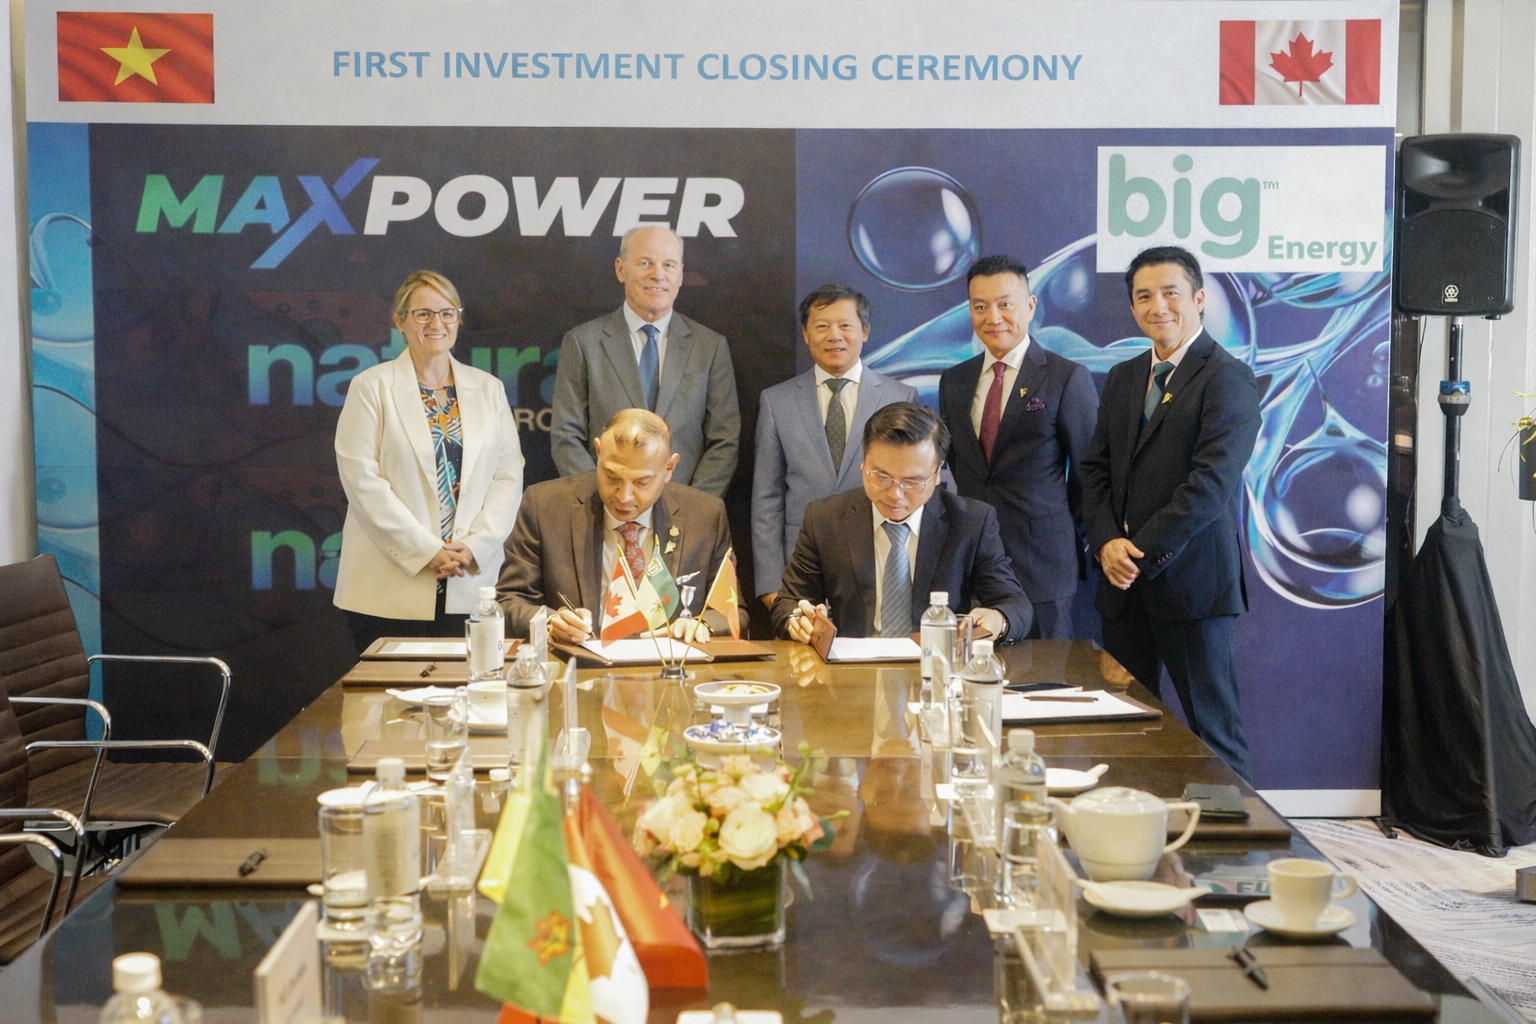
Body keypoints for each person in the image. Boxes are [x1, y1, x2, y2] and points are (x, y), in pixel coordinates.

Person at [1080, 245, 1261, 782]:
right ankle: (1139, 834)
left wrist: (1139, 553)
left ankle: (1229, 852)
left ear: (1199, 299)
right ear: (1133, 308)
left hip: (1192, 586)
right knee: (1128, 723)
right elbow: (1094, 471)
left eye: (1171, 292)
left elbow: (1211, 484)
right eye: (1144, 296)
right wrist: (1107, 541)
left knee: (1212, 729)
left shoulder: (1227, 377)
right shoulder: (1122, 377)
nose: (1158, 305)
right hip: (1121, 585)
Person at [333, 270, 524, 654]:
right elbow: (361, 481)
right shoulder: (371, 387)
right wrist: (427, 551)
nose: (436, 324)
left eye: (447, 313)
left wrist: (474, 547)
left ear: (459, 320)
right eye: (423, 314)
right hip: (387, 589)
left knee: (471, 703)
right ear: (400, 321)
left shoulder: (489, 389)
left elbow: (507, 476)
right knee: (388, 708)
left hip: (471, 585)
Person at [772, 402, 1031, 644]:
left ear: (937, 472)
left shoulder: (971, 522)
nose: (895, 494)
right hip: (851, 671)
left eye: (913, 482)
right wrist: (797, 620)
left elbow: (1014, 604)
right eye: (882, 476)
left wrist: (999, 619)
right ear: (863, 464)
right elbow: (789, 602)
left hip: (935, 668)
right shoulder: (826, 519)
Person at [939, 255, 1098, 638]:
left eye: (1005, 304)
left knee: (1044, 683)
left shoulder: (1066, 377)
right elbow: (961, 465)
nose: (992, 317)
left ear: (1030, 306)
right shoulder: (954, 381)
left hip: (1042, 563)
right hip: (971, 561)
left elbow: (1089, 474)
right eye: (980, 306)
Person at [497, 408, 747, 643]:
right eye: (612, 477)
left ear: (669, 468)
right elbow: (510, 599)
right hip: (583, 673)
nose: (624, 496)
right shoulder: (546, 507)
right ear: (598, 452)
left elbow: (731, 610)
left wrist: (702, 625)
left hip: (669, 676)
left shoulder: (704, 516)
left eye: (641, 482)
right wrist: (550, 622)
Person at [752, 284, 917, 607]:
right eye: (822, 326)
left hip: (879, 564)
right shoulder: (776, 401)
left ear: (865, 331)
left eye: (845, 326)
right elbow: (766, 499)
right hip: (801, 570)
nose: (834, 336)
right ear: (805, 333)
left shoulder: (900, 397)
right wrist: (773, 588)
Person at [549, 225, 739, 497]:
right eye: (645, 263)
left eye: (669, 265)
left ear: (681, 274)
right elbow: (566, 438)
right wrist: (610, 497)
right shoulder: (582, 343)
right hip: (604, 509)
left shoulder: (709, 347)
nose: (658, 274)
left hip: (684, 513)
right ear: (621, 268)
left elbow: (724, 441)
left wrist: (692, 508)